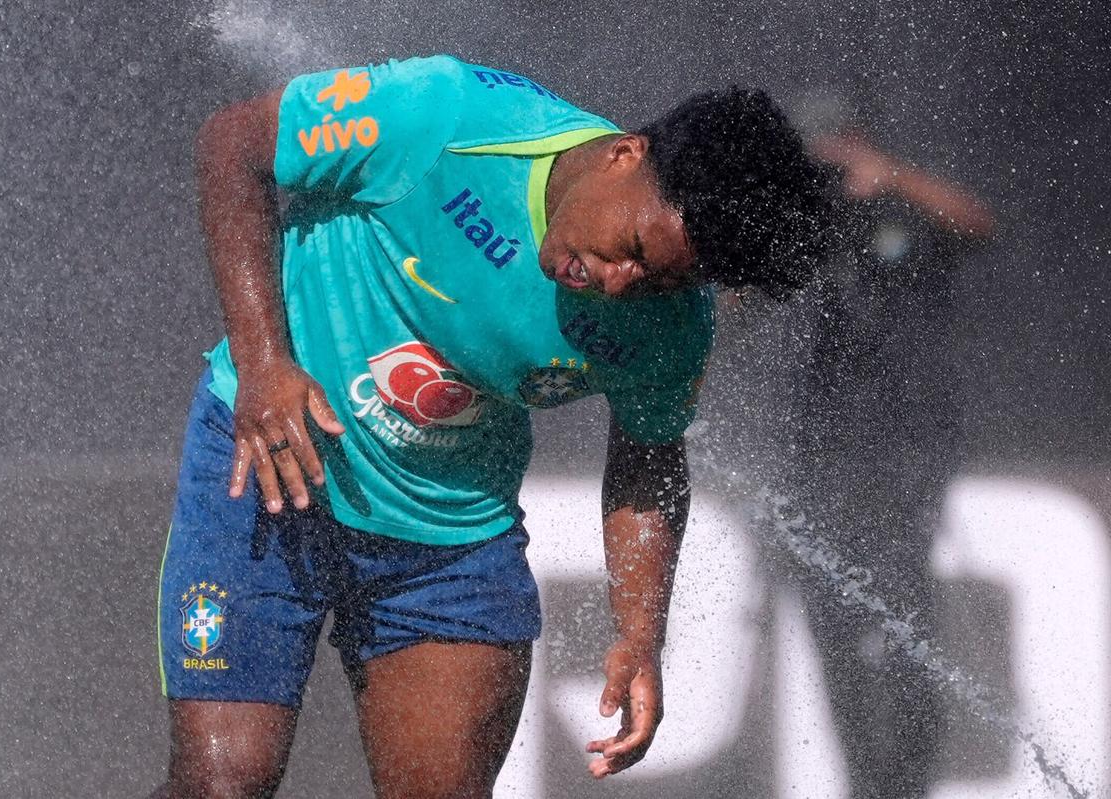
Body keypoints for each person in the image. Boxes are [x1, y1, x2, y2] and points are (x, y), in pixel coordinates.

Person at [153, 54, 830, 799]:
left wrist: (640, 634)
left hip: (446, 544)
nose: (618, 283)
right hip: (269, 467)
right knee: (221, 786)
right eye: (635, 248)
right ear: (625, 154)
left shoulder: (673, 329)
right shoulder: (444, 113)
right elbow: (233, 143)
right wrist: (264, 363)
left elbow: (648, 457)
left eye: (660, 280)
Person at [776, 130, 993, 798]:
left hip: (905, 451)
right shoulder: (801, 229)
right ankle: (866, 781)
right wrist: (785, 214)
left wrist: (890, 177)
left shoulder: (907, 213)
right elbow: (733, 303)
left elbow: (979, 224)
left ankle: (910, 781)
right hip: (822, 454)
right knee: (833, 621)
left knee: (905, 616)